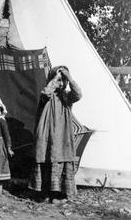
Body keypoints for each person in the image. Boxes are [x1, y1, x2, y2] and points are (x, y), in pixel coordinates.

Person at [28, 66, 82, 204]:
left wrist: (69, 78)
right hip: (47, 133)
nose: (61, 83)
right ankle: (45, 193)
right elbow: (46, 93)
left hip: (62, 135)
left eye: (63, 81)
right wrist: (54, 80)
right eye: (59, 80)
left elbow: (78, 94)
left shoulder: (67, 96)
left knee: (60, 159)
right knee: (46, 158)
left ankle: (57, 195)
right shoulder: (46, 95)